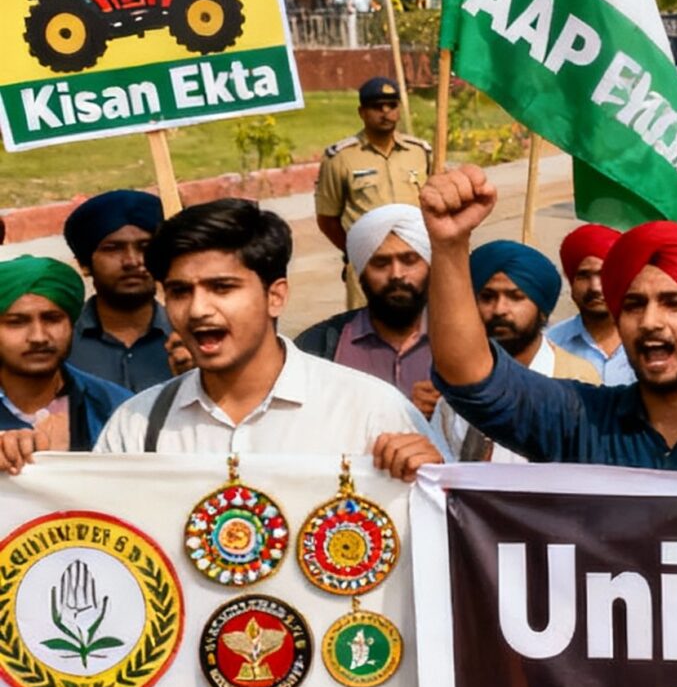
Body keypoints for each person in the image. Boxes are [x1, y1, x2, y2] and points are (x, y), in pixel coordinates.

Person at [422, 168, 677, 495]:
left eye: (674, 303)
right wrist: (450, 246)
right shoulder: (578, 420)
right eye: (633, 305)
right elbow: (469, 375)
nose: (650, 321)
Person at [94, 199, 446, 476]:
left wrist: (434, 479)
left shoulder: (370, 411)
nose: (199, 309)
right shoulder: (138, 427)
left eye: (222, 287)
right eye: (180, 291)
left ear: (275, 296)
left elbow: (445, 533)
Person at [436, 240, 601, 461]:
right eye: (487, 297)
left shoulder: (576, 380)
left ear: (543, 310)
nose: (500, 310)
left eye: (515, 297)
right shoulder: (458, 379)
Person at [293, 205, 436, 413]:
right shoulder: (316, 346)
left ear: (430, 267)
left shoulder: (468, 341)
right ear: (361, 273)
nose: (396, 274)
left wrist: (449, 411)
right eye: (380, 263)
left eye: (409, 260)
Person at [313, 76, 432, 307]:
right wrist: (358, 250)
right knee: (367, 330)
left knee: (425, 327)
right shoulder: (340, 158)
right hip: (367, 263)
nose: (385, 112)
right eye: (377, 106)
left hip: (417, 259)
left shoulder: (419, 152)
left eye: (391, 105)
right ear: (362, 112)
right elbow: (327, 219)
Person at [0, 257, 133, 458]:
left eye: (52, 319)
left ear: (72, 323)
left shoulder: (117, 407)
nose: (39, 337)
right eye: (17, 322)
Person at [60, 189, 174, 391]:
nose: (132, 261)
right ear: (84, 265)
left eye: (145, 247)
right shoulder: (59, 345)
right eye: (113, 248)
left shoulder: (189, 338)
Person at [546, 223, 634, 386]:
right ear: (571, 282)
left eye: (604, 274)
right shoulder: (550, 345)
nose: (595, 287)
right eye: (583, 276)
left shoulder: (649, 341)